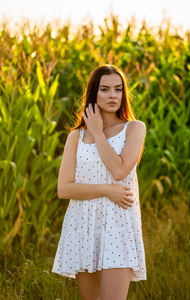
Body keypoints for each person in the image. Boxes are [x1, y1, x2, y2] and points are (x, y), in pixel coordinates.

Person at [52, 64, 147, 300]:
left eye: (118, 89)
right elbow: (64, 188)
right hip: (83, 224)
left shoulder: (134, 129)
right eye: (105, 89)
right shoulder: (76, 136)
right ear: (94, 93)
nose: (113, 95)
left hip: (118, 225)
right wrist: (106, 191)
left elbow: (119, 170)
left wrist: (98, 132)